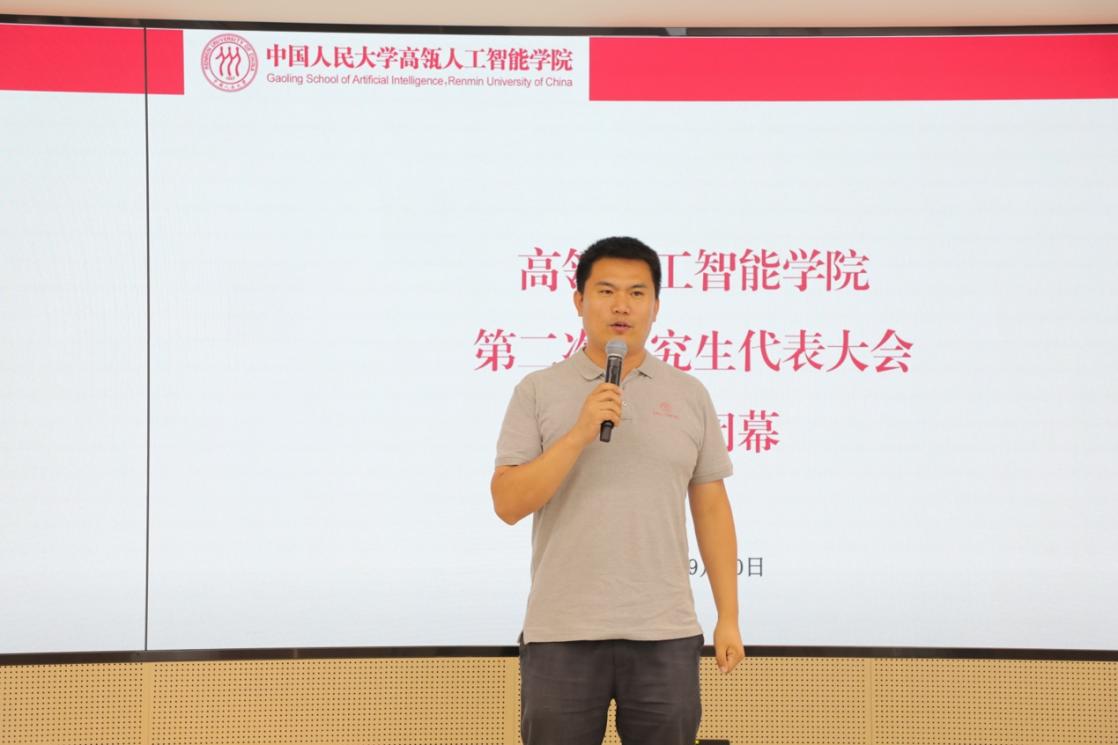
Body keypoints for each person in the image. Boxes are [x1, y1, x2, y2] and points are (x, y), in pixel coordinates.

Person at [491, 236, 744, 745]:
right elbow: (508, 503)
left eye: (637, 293)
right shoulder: (537, 391)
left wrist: (729, 617)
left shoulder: (689, 394)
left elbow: (712, 508)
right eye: (606, 291)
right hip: (562, 632)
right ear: (579, 300)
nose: (621, 306)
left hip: (664, 633)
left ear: (656, 306)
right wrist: (579, 433)